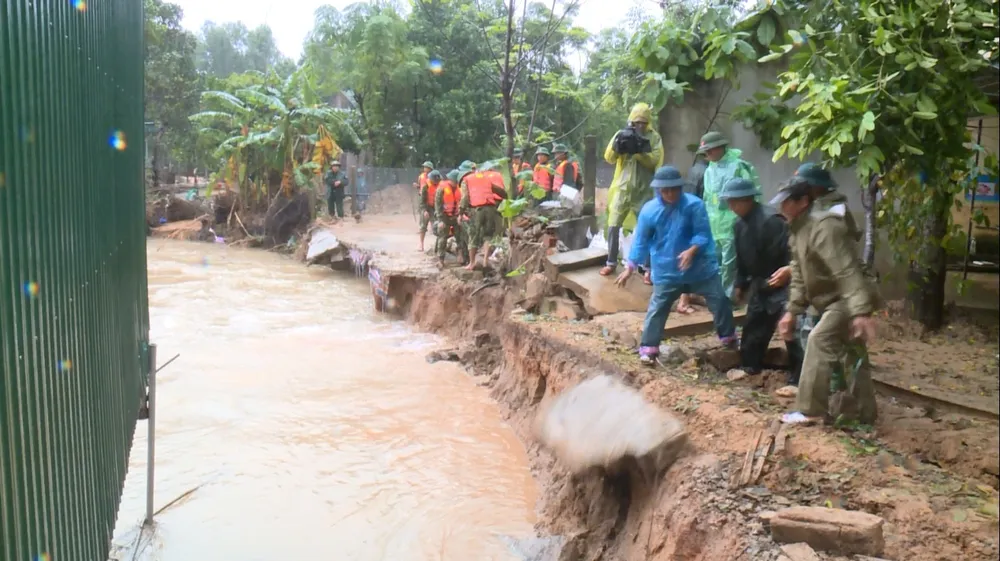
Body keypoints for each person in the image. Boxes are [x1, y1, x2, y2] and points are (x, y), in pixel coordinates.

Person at [771, 179, 881, 425]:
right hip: (834, 299)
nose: (782, 207)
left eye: (788, 201)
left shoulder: (824, 228)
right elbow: (799, 276)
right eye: (781, 202)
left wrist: (860, 311)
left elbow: (846, 271)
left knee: (819, 339)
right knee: (853, 354)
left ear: (803, 202)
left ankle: (810, 410)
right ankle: (865, 414)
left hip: (848, 297)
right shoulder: (797, 230)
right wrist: (792, 311)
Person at [615, 166, 738, 365]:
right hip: (667, 270)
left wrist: (692, 250)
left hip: (700, 268)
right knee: (658, 307)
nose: (670, 194)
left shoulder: (694, 205)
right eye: (665, 190)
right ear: (658, 190)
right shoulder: (649, 210)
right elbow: (642, 240)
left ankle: (729, 338)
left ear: (680, 188)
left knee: (719, 299)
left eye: (674, 189)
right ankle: (648, 349)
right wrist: (630, 265)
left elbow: (703, 233)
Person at [719, 178, 803, 383]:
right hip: (759, 284)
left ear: (747, 199)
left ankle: (799, 378)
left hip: (782, 284)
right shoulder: (739, 225)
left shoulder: (772, 221)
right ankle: (750, 366)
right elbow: (741, 260)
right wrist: (740, 284)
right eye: (729, 202)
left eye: (735, 201)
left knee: (790, 331)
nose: (731, 206)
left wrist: (788, 273)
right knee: (754, 327)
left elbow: (790, 253)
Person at [601, 103, 664, 277]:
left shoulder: (654, 138)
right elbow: (609, 157)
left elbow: (654, 161)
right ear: (631, 121)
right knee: (613, 224)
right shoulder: (621, 133)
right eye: (637, 122)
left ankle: (647, 269)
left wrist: (638, 151)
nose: (640, 126)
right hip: (622, 188)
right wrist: (618, 145)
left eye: (644, 122)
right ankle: (611, 262)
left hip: (644, 189)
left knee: (647, 227)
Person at [697, 131, 761, 299]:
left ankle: (728, 297)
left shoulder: (739, 166)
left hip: (733, 221)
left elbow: (753, 194)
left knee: (730, 262)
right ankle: (715, 296)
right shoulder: (709, 170)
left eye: (710, 150)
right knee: (713, 260)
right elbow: (707, 198)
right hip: (713, 222)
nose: (708, 154)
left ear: (721, 147)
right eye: (705, 151)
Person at [459, 163, 508, 270]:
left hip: (477, 210)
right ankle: (485, 261)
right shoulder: (485, 178)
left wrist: (461, 212)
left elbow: (465, 198)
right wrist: (507, 197)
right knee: (488, 235)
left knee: (473, 236)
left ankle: (472, 263)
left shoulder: (466, 180)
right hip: (491, 208)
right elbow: (499, 191)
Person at [435, 170, 468, 266]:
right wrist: (440, 220)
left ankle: (461, 255)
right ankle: (441, 259)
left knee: (460, 236)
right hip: (444, 216)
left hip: (456, 216)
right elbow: (438, 205)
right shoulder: (441, 188)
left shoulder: (459, 189)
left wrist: (462, 215)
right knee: (442, 238)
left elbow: (461, 203)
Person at [418, 170, 442, 252]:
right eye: (435, 180)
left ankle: (437, 246)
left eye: (437, 180)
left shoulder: (441, 186)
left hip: (436, 208)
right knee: (423, 226)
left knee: (437, 226)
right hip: (427, 207)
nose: (436, 181)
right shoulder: (426, 186)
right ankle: (421, 245)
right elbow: (422, 200)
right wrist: (424, 211)